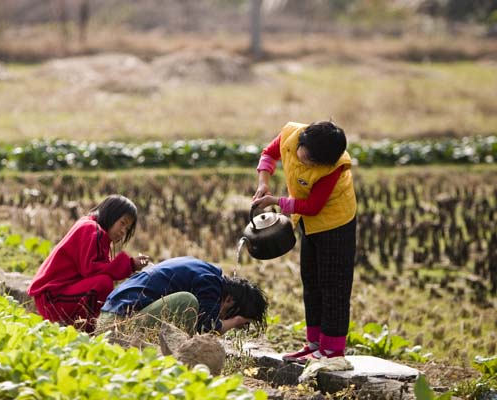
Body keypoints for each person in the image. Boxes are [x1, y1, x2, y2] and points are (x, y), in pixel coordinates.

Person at [252, 120, 357, 363]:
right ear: (301, 142)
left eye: (314, 164)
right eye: (307, 158)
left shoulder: (335, 166)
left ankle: (333, 350)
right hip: (309, 224)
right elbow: (269, 154)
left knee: (334, 286)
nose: (308, 164)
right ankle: (314, 344)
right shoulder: (291, 135)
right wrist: (263, 184)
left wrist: (276, 201)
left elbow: (313, 206)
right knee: (311, 281)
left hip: (336, 223)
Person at [27, 194, 151, 331]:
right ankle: (88, 328)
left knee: (104, 281)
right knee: (103, 282)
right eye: (122, 223)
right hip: (53, 300)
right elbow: (92, 270)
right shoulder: (92, 230)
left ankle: (83, 325)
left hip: (51, 297)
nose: (123, 231)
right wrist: (130, 264)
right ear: (111, 214)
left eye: (127, 229)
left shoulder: (92, 227)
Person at [98, 256, 268, 335]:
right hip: (116, 324)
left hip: (111, 316)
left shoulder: (206, 272)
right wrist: (235, 321)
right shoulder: (211, 283)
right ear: (230, 300)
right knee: (187, 302)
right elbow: (207, 328)